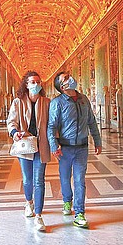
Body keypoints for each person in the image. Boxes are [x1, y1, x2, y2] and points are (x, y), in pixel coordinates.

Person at [48, 70, 102, 228]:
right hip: (65, 148)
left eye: (68, 76)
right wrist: (53, 145)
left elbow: (92, 121)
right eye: (65, 78)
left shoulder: (83, 99)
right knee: (65, 178)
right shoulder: (57, 103)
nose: (70, 78)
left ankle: (79, 213)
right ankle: (67, 201)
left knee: (79, 180)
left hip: (82, 148)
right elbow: (51, 126)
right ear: (62, 86)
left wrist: (97, 141)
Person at [7, 70, 51, 232]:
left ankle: (38, 216)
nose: (36, 84)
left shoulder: (47, 102)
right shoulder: (18, 102)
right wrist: (14, 133)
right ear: (26, 84)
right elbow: (11, 121)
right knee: (27, 179)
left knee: (39, 180)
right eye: (32, 82)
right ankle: (28, 203)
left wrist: (55, 143)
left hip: (42, 145)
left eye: (38, 82)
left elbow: (52, 124)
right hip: (25, 145)